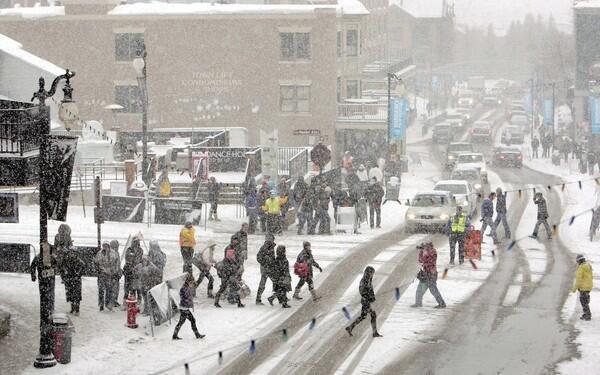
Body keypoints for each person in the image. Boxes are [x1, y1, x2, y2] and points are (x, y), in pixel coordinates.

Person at [345, 266, 383, 338]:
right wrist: (368, 298)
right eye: (371, 273)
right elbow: (362, 291)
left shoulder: (368, 280)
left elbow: (370, 291)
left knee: (363, 316)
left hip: (368, 301)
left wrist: (372, 298)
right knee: (373, 315)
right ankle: (374, 333)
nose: (372, 275)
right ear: (368, 273)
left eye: (373, 273)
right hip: (366, 302)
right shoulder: (364, 281)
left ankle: (350, 327)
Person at [412, 242, 446, 308]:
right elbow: (421, 260)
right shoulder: (428, 252)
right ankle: (418, 303)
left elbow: (423, 260)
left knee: (432, 290)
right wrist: (422, 251)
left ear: (429, 247)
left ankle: (442, 304)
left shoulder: (432, 253)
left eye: (426, 247)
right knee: (422, 289)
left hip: (430, 274)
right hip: (428, 274)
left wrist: (423, 252)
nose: (425, 248)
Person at [172, 275, 206, 340]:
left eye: (192, 282)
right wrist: (188, 301)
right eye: (191, 282)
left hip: (185, 308)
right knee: (192, 320)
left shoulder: (188, 287)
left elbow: (190, 294)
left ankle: (174, 335)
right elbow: (184, 297)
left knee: (181, 322)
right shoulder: (184, 288)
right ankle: (197, 335)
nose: (192, 284)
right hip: (184, 308)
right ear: (187, 282)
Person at [94, 242, 120, 312]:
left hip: (110, 275)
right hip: (102, 274)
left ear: (108, 246)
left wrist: (115, 272)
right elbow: (96, 262)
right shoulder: (99, 253)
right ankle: (101, 305)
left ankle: (108, 304)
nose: (105, 247)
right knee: (101, 290)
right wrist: (99, 270)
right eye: (104, 246)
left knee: (109, 290)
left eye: (106, 246)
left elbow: (117, 264)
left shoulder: (114, 253)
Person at [62, 247, 85, 316]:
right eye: (71, 252)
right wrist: (64, 275)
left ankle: (77, 309)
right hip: (69, 279)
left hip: (76, 280)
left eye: (73, 252)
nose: (72, 254)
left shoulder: (79, 261)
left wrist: (78, 274)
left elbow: (83, 267)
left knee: (77, 295)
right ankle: (72, 308)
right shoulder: (66, 260)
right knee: (70, 294)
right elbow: (62, 267)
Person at [571, 254, 593, 321]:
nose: (577, 263)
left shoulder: (581, 268)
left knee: (583, 301)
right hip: (588, 286)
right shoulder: (588, 265)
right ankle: (586, 313)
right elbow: (591, 276)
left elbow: (578, 280)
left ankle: (587, 315)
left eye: (577, 261)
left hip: (583, 287)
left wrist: (574, 289)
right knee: (585, 300)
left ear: (579, 261)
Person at [123, 236, 143, 307]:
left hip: (137, 271)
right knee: (128, 287)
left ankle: (138, 301)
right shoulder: (129, 249)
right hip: (129, 270)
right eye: (135, 241)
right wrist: (131, 266)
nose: (136, 243)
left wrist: (137, 267)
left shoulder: (140, 250)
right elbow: (127, 259)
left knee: (137, 287)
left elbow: (140, 260)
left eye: (137, 242)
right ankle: (126, 301)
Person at [256, 234, 276, 305]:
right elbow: (258, 257)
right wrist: (265, 263)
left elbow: (272, 258)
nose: (270, 240)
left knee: (275, 282)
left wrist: (273, 263)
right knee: (264, 283)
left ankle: (279, 297)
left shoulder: (271, 247)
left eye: (271, 238)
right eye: (268, 238)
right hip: (266, 269)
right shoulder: (265, 247)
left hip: (270, 268)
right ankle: (258, 299)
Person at [109, 240, 122, 308]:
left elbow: (118, 264)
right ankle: (111, 301)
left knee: (116, 288)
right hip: (112, 274)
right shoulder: (111, 253)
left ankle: (114, 300)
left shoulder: (117, 253)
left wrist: (119, 271)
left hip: (116, 274)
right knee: (112, 288)